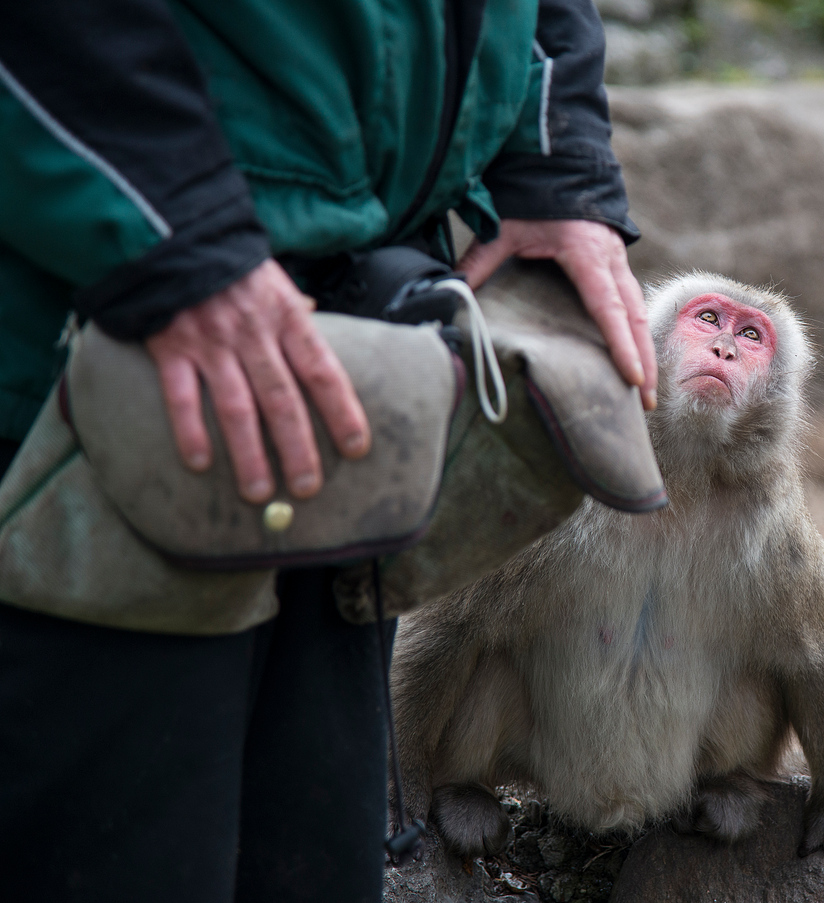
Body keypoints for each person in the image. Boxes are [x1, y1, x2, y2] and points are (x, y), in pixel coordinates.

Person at [0, 1, 656, 900]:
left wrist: (557, 160)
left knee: (311, 859)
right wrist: (173, 226)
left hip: (364, 325)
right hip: (106, 307)